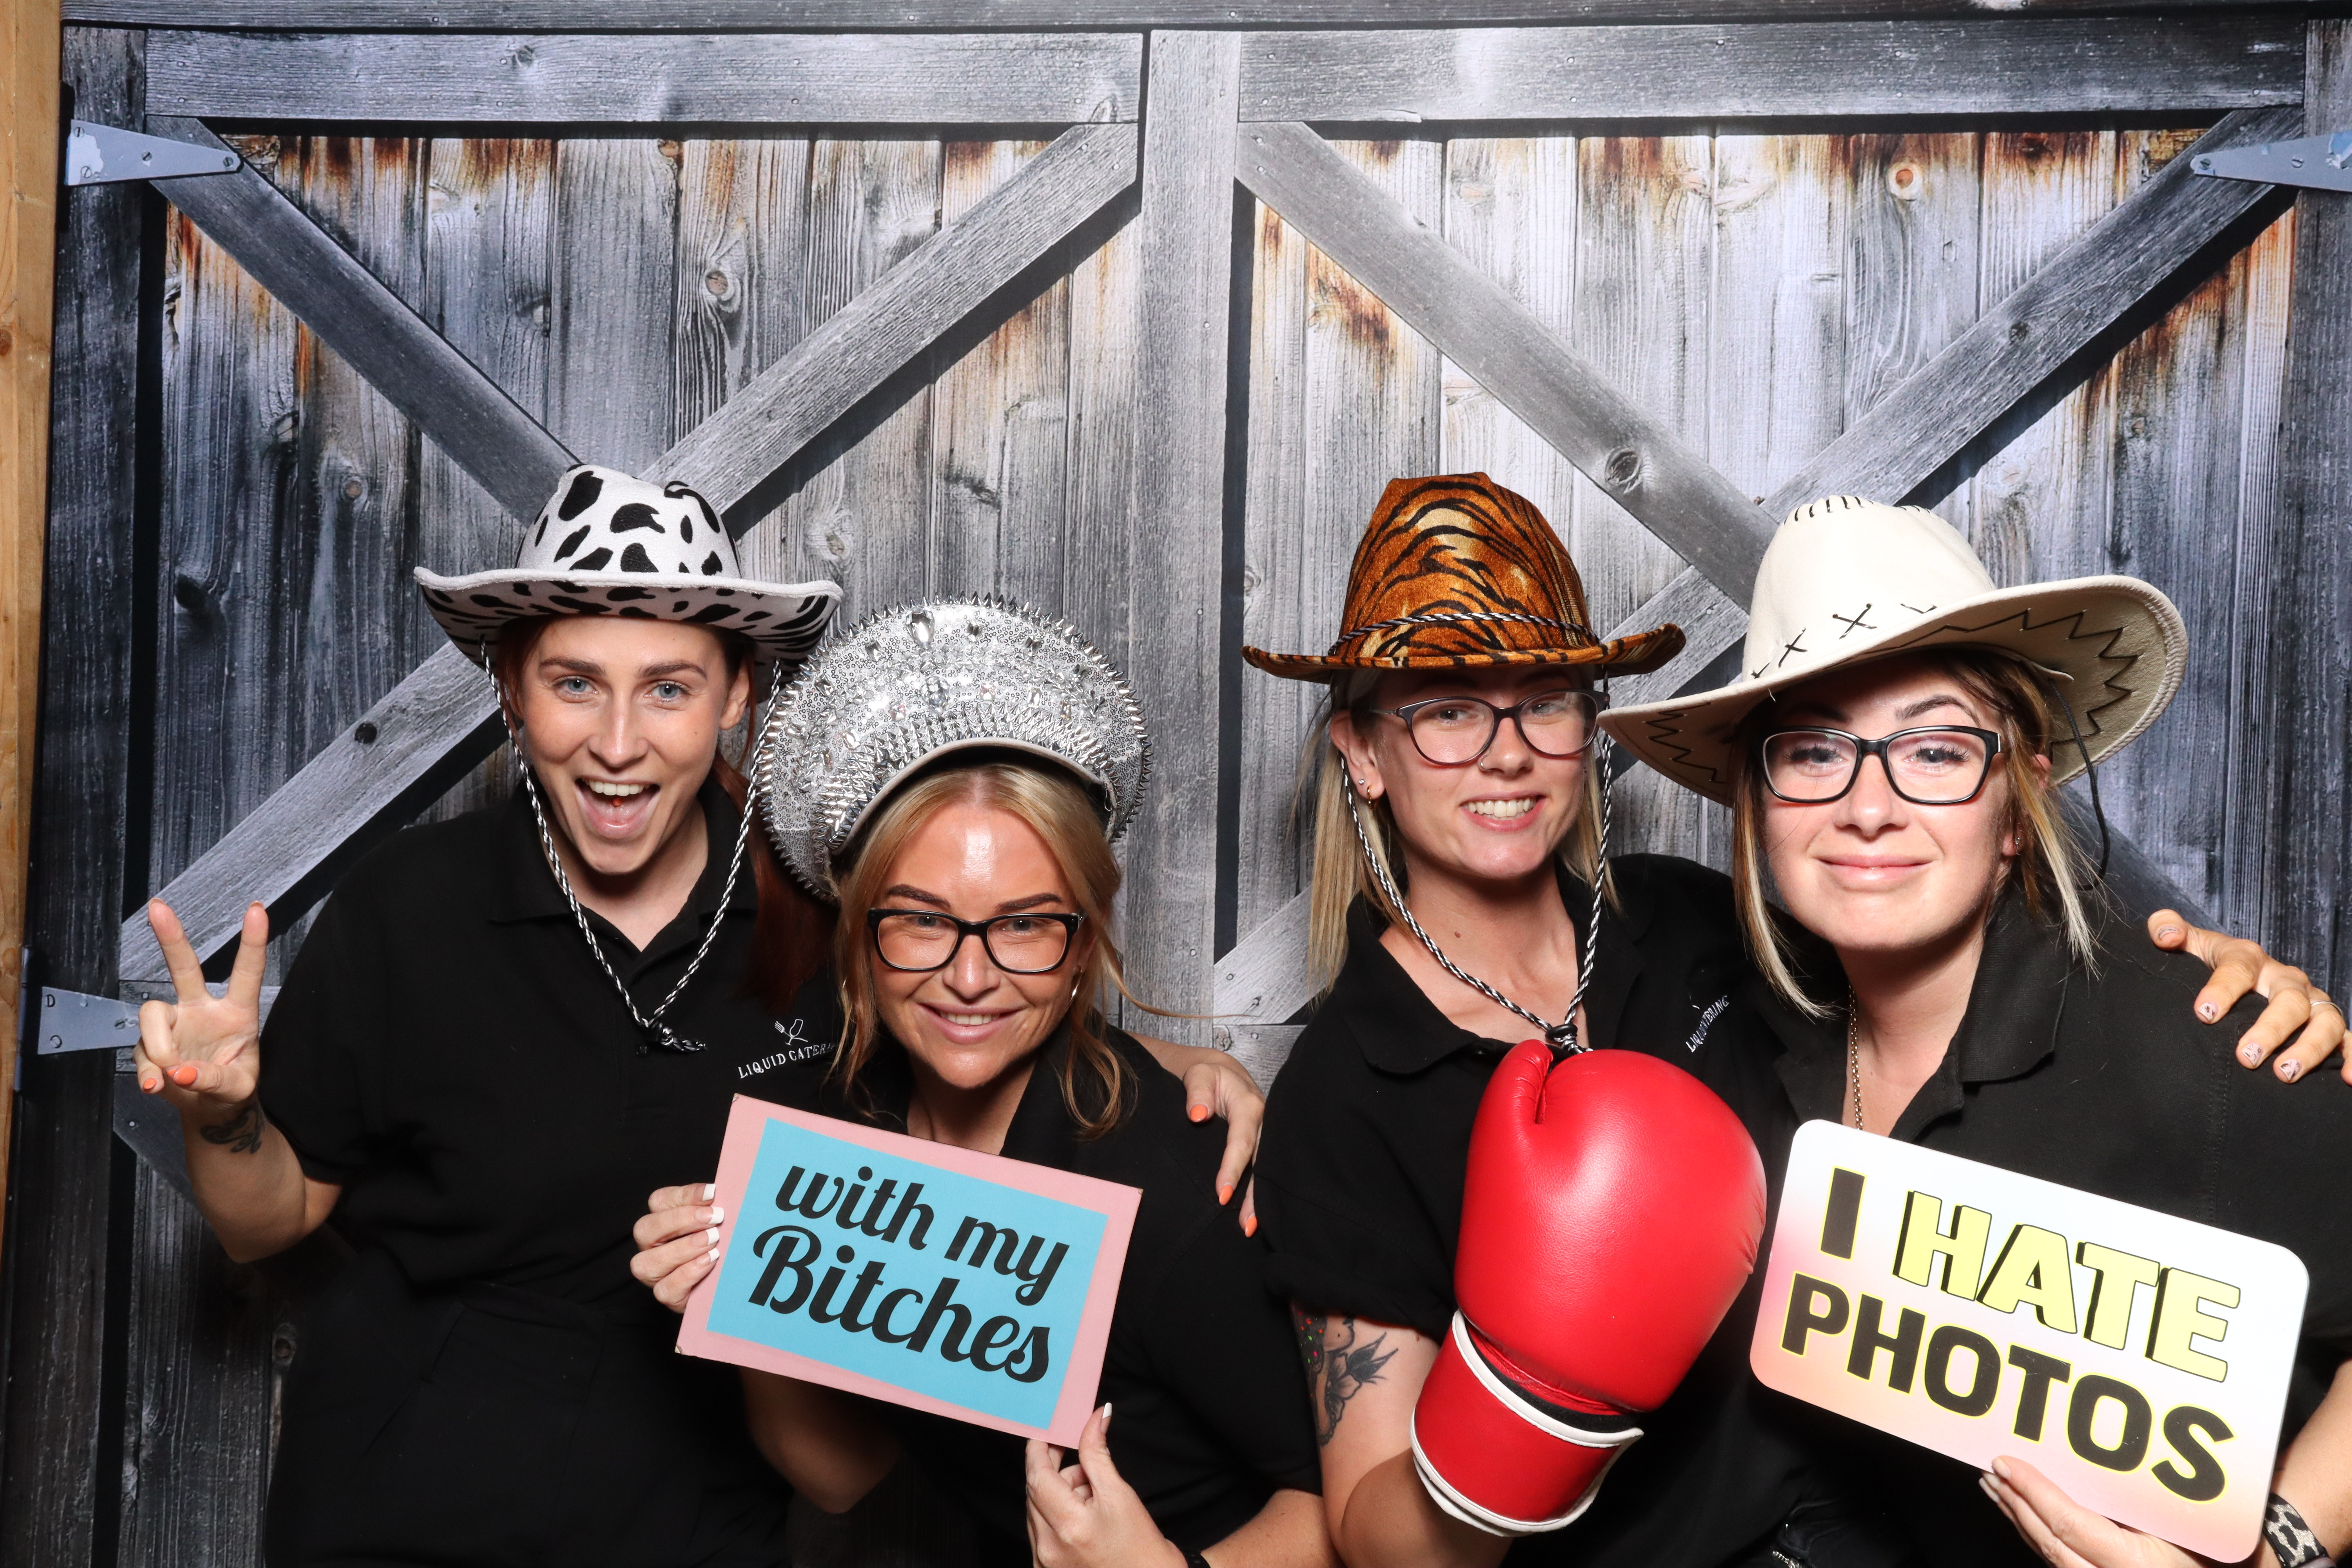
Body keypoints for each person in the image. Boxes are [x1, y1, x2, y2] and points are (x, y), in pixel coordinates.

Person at [129, 470, 1263, 1567]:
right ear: (512, 692)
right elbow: (264, 1225)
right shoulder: (408, 908)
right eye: (574, 683)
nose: (617, 742)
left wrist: (1178, 1065)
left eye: (668, 688)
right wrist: (224, 1116)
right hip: (399, 1522)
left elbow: (971, 1009)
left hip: (699, 1537)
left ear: (735, 698)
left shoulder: (827, 924)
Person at [1242, 475, 2339, 1568]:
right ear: (1363, 752)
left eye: (1546, 701)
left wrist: (2285, 1544)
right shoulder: (1345, 1090)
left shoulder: (1703, 930)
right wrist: (1527, 1406)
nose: (1505, 749)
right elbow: (1372, 1536)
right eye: (1444, 711)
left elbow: (1966, 943)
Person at [1602, 494, 2351, 1568]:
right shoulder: (1734, 1028)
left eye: (1938, 752)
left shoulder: (2196, 1043)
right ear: (1757, 805)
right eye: (1816, 753)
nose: (1869, 807)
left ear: (2015, 806)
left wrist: (2283, 1549)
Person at [631, 600, 1334, 1568]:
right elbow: (845, 1473)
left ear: (1083, 938)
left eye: (1024, 924)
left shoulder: (1178, 1192)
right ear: (857, 931)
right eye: (920, 920)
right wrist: (738, 1299)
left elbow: (1343, 1505)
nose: (970, 978)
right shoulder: (842, 1135)